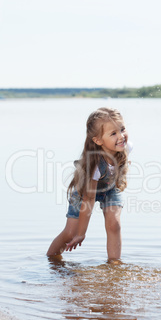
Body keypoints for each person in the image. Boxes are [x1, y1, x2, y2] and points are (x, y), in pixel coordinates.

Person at [46, 107, 132, 263]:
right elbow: (89, 198)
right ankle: (51, 259)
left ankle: (114, 265)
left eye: (122, 129)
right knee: (71, 233)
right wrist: (81, 233)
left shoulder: (125, 147)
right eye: (113, 133)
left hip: (110, 189)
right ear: (98, 140)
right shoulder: (95, 165)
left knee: (114, 224)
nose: (121, 136)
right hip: (84, 194)